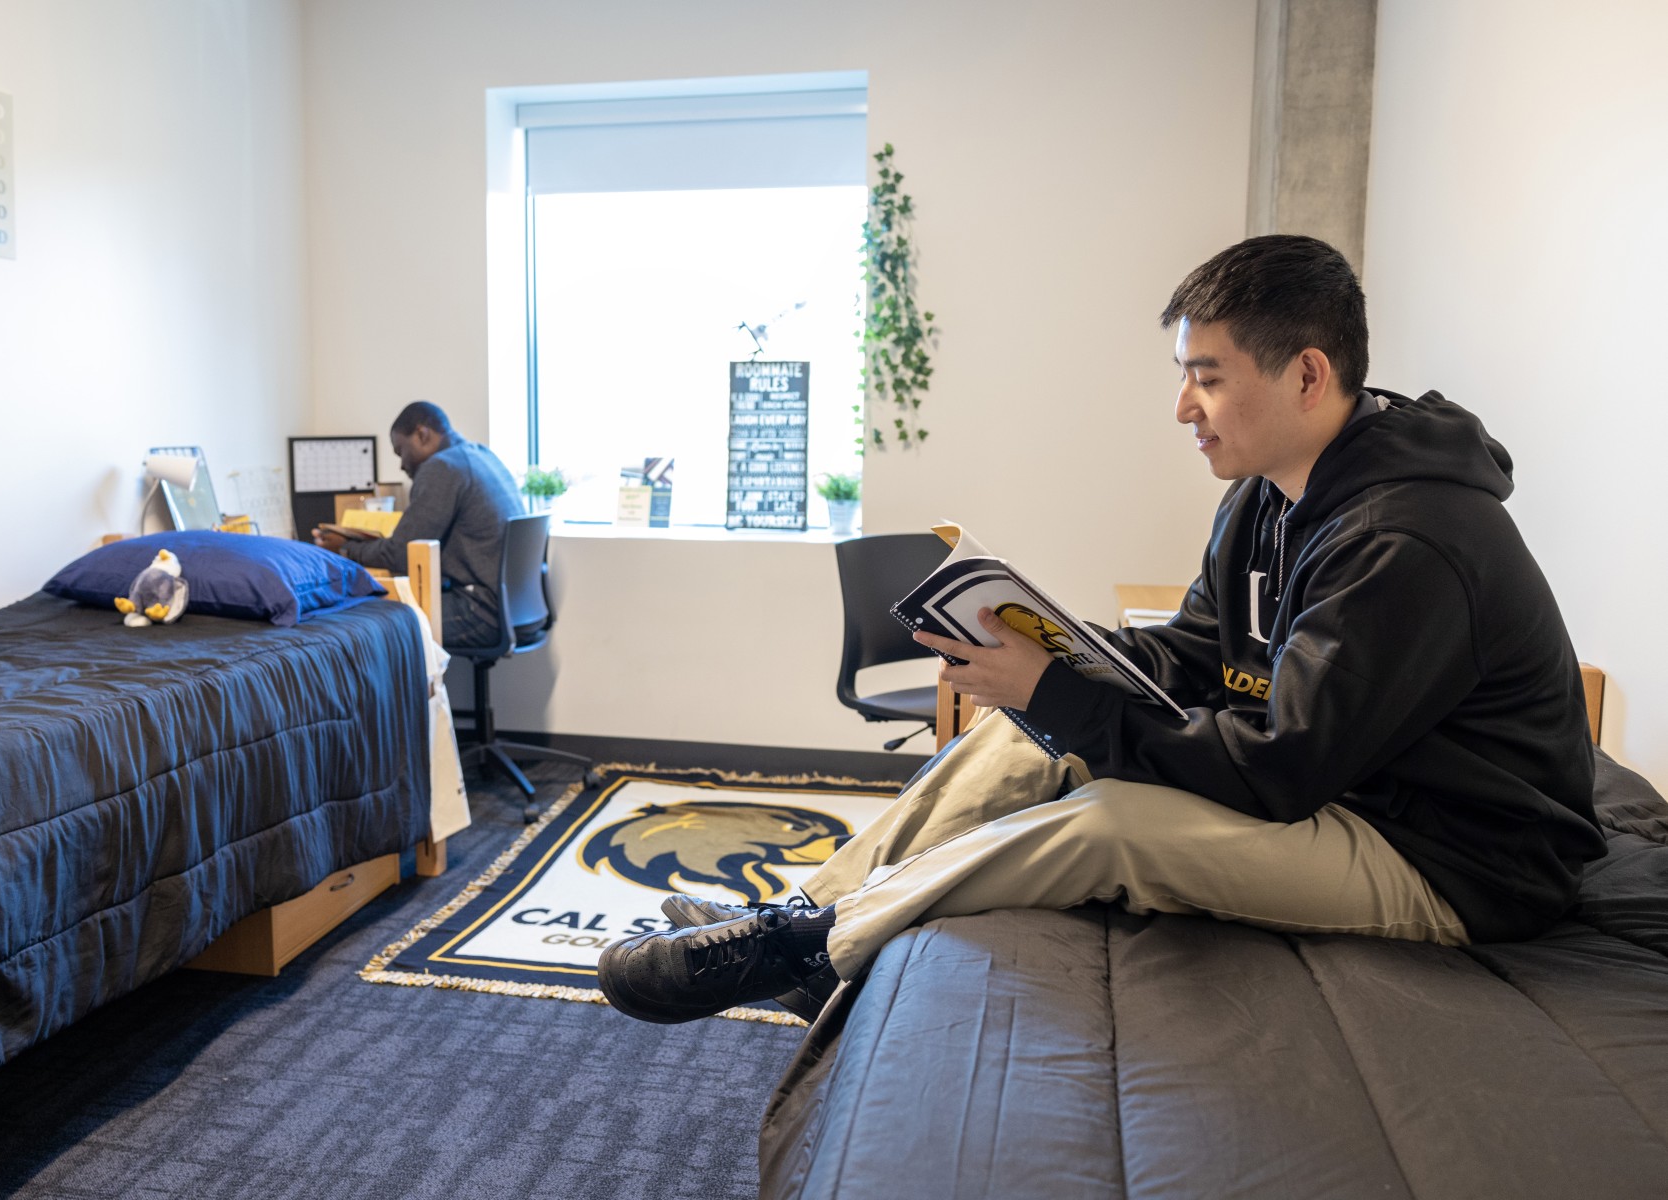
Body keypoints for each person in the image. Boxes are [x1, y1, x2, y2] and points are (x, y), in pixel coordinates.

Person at [595, 234, 1607, 1026]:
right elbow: (1207, 652)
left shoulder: (1410, 540)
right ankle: (802, 912)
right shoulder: (1265, 496)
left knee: (1111, 822)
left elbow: (1279, 770)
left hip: (1448, 861)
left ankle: (811, 953)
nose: (1182, 407)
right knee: (1015, 733)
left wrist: (1063, 694)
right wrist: (1069, 652)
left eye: (1207, 377)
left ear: (1305, 375)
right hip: (1351, 789)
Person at [313, 401, 525, 650]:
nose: (402, 464)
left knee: (371, 622)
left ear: (422, 435)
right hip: (516, 609)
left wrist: (345, 547)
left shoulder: (442, 468)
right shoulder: (482, 455)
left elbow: (400, 554)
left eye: (401, 450)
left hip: (480, 612)